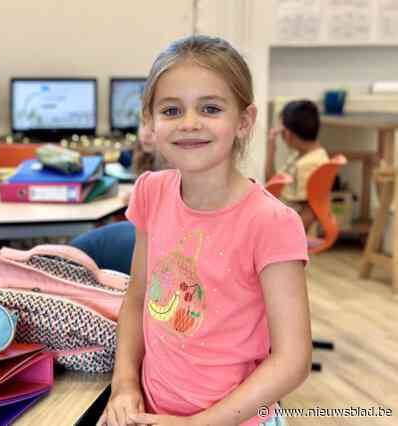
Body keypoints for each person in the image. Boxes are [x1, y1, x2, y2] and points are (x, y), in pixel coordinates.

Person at [98, 35, 311, 426]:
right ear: (150, 121)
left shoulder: (272, 223)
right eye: (172, 110)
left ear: (243, 121)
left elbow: (293, 360)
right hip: (152, 412)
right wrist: (124, 384)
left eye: (210, 108)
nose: (190, 123)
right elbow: (139, 295)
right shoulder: (150, 192)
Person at [69, 117, 160, 274]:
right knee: (76, 250)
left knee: (80, 249)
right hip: (145, 235)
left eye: (153, 126)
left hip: (159, 240)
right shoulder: (143, 158)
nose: (145, 134)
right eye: (142, 124)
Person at [265, 100, 329, 229]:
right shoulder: (304, 155)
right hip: (279, 213)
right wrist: (271, 148)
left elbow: (310, 210)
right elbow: (273, 183)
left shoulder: (308, 165)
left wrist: (288, 239)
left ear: (287, 134)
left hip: (285, 225)